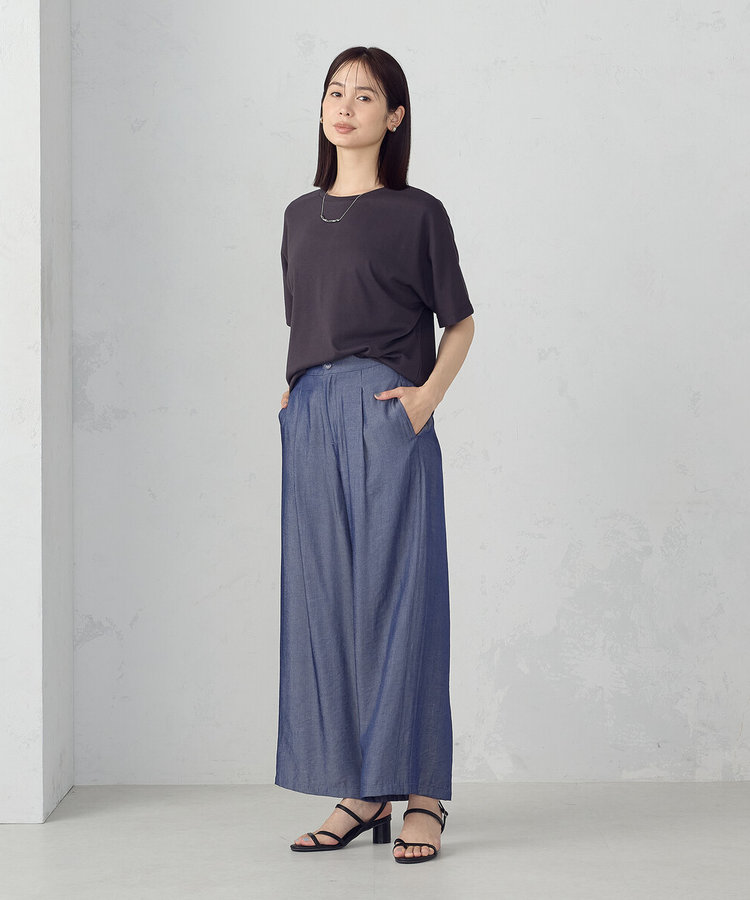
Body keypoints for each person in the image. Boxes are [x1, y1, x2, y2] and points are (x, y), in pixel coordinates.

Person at [275, 45, 475, 864]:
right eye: (335, 91)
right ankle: (363, 789)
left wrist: (425, 400)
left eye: (365, 96)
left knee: (402, 600)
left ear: (394, 117)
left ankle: (422, 793)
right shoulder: (298, 215)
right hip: (312, 417)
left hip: (388, 412)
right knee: (326, 605)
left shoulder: (417, 212)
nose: (345, 106)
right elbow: (307, 318)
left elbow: (460, 321)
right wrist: (293, 392)